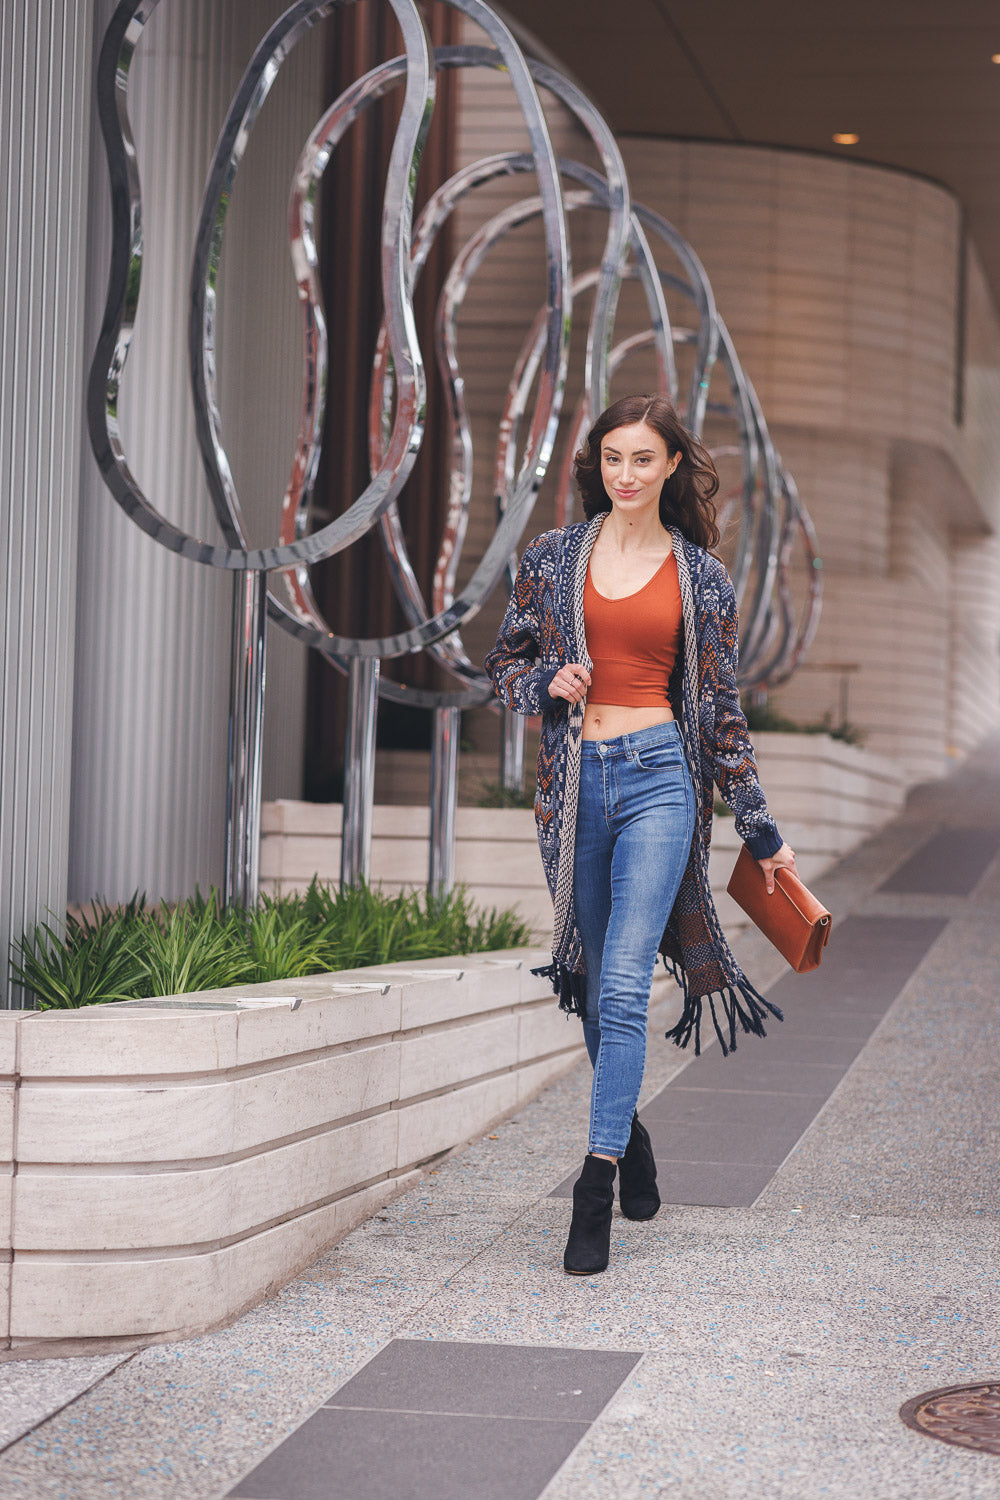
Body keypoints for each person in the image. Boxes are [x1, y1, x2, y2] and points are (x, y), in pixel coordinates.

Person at [485, 392, 797, 1277]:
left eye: (642, 459)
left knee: (622, 984)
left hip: (662, 777)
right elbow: (501, 665)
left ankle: (595, 1182)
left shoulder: (701, 577)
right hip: (576, 786)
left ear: (670, 468)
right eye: (612, 458)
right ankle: (634, 1136)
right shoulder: (550, 559)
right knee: (588, 981)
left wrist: (761, 828)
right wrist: (548, 680)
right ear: (599, 466)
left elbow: (724, 713)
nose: (626, 474)